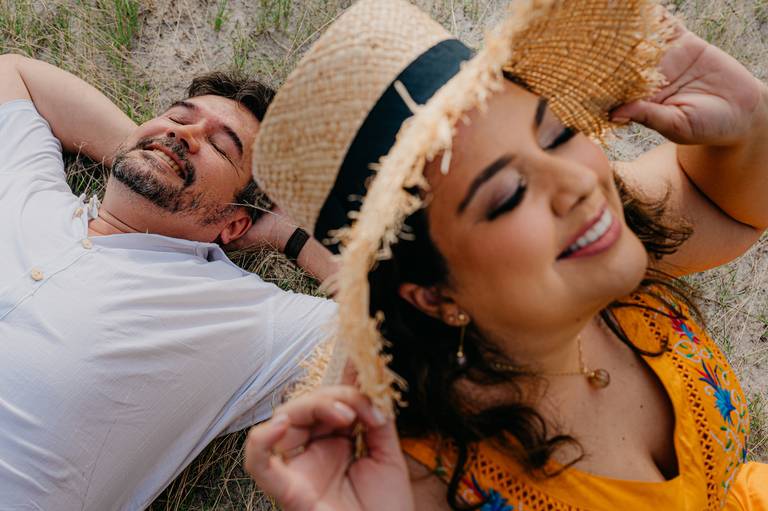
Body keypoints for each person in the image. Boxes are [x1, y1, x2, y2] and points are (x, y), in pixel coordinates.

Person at [243, 0, 768, 509]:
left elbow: (731, 212)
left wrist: (752, 121)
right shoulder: (420, 484)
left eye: (557, 134)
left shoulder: (596, 244)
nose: (579, 182)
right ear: (433, 294)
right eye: (509, 195)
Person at [0, 54, 337, 510]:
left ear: (237, 223)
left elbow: (396, 337)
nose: (185, 133)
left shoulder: (240, 316)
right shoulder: (27, 188)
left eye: (221, 147)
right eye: (179, 116)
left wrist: (289, 234)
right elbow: (13, 73)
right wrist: (150, 151)